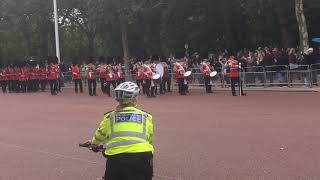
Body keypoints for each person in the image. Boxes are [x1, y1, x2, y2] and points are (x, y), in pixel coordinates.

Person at [81, 82, 154, 180]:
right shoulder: (146, 117)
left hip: (117, 159)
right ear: (135, 98)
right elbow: (149, 138)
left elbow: (100, 135)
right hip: (143, 157)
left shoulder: (110, 117)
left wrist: (94, 144)